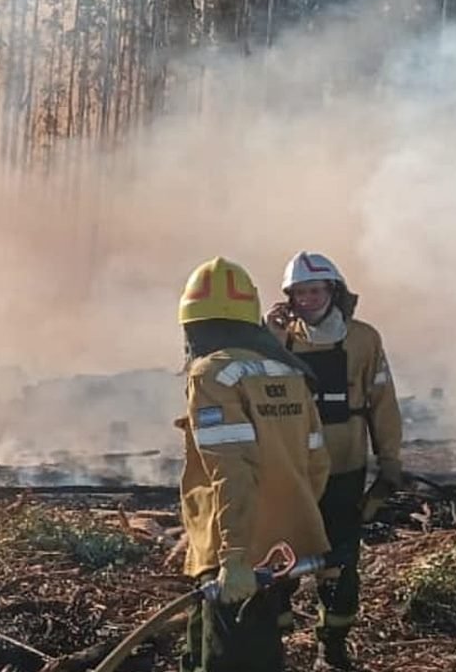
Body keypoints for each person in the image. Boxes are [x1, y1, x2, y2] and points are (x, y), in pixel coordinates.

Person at [176, 256, 332, 672]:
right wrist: (288, 519)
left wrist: (235, 556)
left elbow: (232, 469)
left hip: (235, 554)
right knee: (256, 651)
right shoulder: (288, 371)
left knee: (230, 659)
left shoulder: (212, 374)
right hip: (280, 547)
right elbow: (317, 461)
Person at [266, 251, 404, 671]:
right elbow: (258, 394)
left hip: (345, 467)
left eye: (315, 291)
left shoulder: (363, 340)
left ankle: (332, 647)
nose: (307, 300)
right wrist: (267, 339)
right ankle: (273, 644)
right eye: (299, 293)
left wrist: (389, 462)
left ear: (334, 291)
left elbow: (382, 401)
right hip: (291, 470)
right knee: (279, 556)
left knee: (339, 562)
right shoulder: (278, 338)